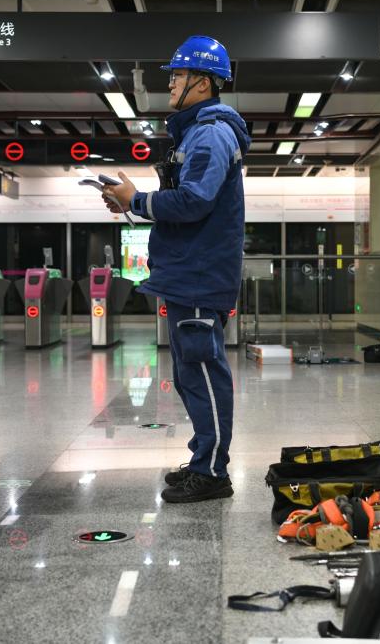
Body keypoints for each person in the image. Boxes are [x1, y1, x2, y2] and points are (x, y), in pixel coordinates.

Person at [102, 35, 251, 503]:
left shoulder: (211, 133)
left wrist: (137, 201)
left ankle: (213, 473)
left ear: (203, 82)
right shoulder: (194, 132)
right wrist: (132, 203)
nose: (170, 82)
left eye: (179, 75)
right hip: (187, 272)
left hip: (200, 274)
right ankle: (203, 458)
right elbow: (186, 200)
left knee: (203, 371)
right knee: (190, 374)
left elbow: (194, 201)